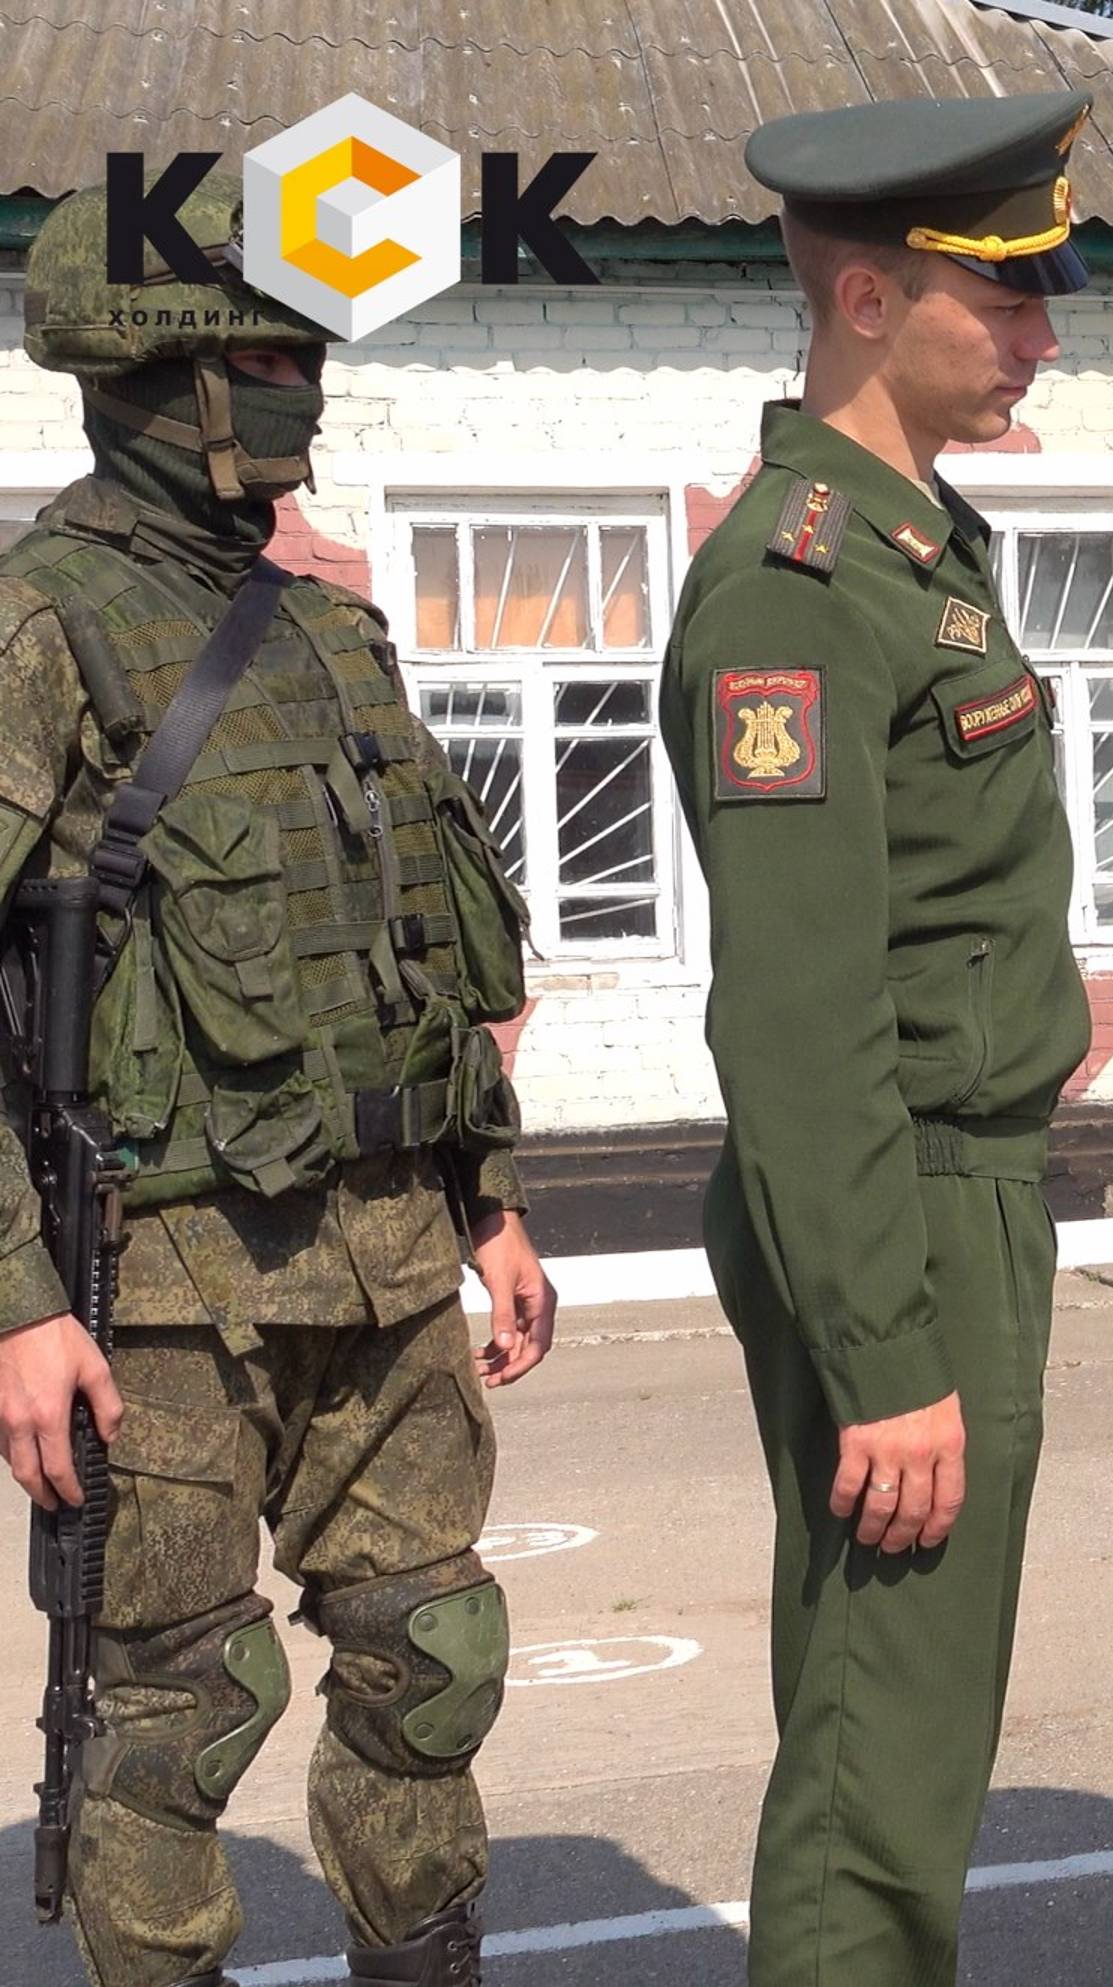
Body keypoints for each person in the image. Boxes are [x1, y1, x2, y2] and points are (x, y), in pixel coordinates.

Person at [0, 170, 557, 1987]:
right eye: (265, 350)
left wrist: (491, 1203)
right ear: (160, 382)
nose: (305, 383)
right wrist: (17, 1308)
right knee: (175, 1711)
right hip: (161, 1296)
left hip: (392, 1265)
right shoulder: (45, 628)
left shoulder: (328, 631)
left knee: (433, 1661)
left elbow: (414, 943)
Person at [654, 90, 1094, 1986]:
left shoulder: (915, 553)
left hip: (958, 1179)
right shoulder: (798, 589)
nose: (1040, 334)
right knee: (876, 1758)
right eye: (999, 297)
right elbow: (800, 1009)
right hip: (892, 1197)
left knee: (915, 1729)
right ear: (858, 296)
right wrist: (886, 1349)